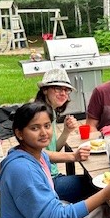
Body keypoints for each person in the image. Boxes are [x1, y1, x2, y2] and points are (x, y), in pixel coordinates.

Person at [33, 68, 93, 203]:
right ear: (45, 90)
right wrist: (73, 156)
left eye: (66, 90)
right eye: (57, 89)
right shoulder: (38, 115)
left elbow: (53, 150)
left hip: (52, 176)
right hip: (46, 183)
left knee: (92, 181)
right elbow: (37, 154)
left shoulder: (50, 112)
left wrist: (66, 131)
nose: (63, 93)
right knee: (95, 184)